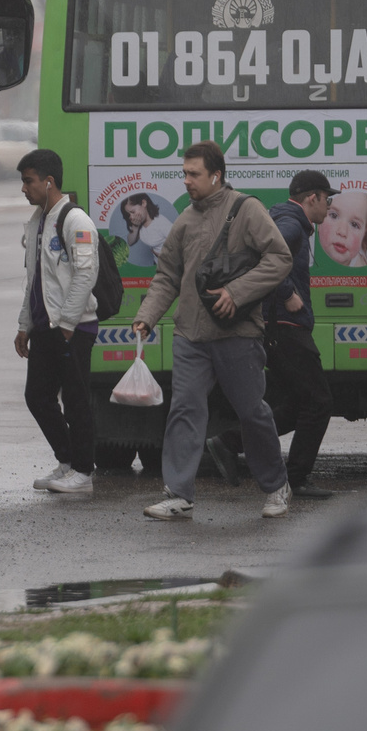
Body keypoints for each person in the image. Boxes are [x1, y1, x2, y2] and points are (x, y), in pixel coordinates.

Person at [131, 141, 293, 522]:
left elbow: (280, 258)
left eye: (194, 174)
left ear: (216, 175)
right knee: (185, 409)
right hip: (190, 334)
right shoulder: (185, 219)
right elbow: (167, 276)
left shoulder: (247, 210)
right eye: (184, 173)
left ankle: (275, 486)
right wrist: (147, 316)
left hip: (237, 334)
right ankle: (178, 494)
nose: (186, 181)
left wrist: (237, 292)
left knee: (252, 412)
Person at [14, 148, 100, 495]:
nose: (24, 188)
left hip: (73, 328)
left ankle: (83, 471)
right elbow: (34, 279)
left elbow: (86, 272)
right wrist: (24, 325)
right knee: (37, 396)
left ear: (49, 182)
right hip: (45, 327)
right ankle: (66, 461)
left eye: (28, 181)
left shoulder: (76, 220)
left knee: (77, 399)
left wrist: (67, 324)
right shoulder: (37, 221)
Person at [265, 171, 337, 500]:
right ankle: (296, 478)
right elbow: (268, 261)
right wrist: (287, 292)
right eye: (327, 199)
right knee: (319, 401)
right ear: (312, 198)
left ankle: (227, 444)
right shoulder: (291, 225)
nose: (329, 205)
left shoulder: (287, 219)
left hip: (280, 327)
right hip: (287, 326)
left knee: (296, 403)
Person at [316, 187, 367, 268]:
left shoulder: (364, 269)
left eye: (354, 224)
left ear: (365, 233)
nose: (342, 232)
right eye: (333, 216)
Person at [117, 191, 174, 271]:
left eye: (133, 212)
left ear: (144, 203)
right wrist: (135, 227)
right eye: (128, 214)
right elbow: (130, 242)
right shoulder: (139, 224)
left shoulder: (160, 222)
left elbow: (180, 243)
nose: (131, 217)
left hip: (170, 265)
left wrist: (165, 256)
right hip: (157, 264)